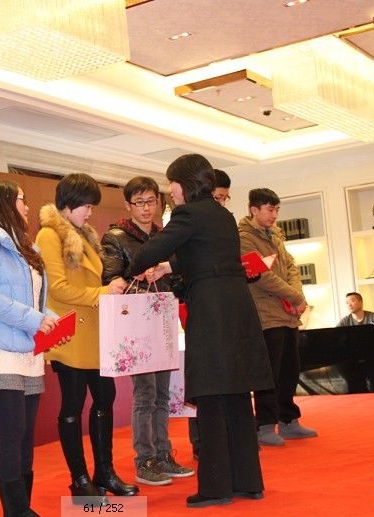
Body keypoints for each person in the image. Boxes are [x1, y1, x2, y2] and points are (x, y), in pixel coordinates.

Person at [126, 154, 274, 508]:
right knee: (237, 395)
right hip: (236, 307)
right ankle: (248, 482)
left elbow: (150, 251)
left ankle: (216, 487)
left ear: (183, 183)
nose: (171, 190)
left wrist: (136, 266)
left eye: (172, 183)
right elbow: (203, 252)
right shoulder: (222, 214)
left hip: (210, 310)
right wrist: (169, 267)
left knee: (210, 395)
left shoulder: (187, 214)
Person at [35, 173, 137, 504]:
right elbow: (58, 288)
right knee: (73, 405)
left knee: (105, 399)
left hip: (94, 332)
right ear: (69, 204)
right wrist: (102, 292)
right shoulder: (50, 235)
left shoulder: (84, 235)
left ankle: (104, 472)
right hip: (70, 336)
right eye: (87, 206)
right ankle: (79, 480)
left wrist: (109, 288)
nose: (90, 213)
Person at [0, 179, 58, 516]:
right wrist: (34, 319)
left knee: (25, 432)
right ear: (3, 201)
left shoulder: (26, 247)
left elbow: (35, 300)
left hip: (27, 350)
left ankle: (23, 507)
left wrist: (50, 319)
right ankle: (15, 511)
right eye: (21, 199)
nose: (27, 206)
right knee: (12, 430)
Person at [101, 176, 194, 487]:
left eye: (151, 201)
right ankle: (145, 460)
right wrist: (139, 275)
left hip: (163, 321)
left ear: (159, 202)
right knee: (146, 394)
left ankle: (164, 454)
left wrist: (168, 274)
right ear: (128, 205)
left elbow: (178, 278)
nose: (145, 208)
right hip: (137, 323)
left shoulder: (165, 236)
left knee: (163, 394)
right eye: (139, 202)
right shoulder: (115, 237)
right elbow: (111, 278)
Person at [238, 188, 318, 447]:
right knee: (268, 374)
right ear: (254, 209)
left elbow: (291, 266)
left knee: (290, 372)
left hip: (287, 314)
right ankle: (264, 425)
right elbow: (263, 276)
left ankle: (288, 420)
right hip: (266, 315)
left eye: (276, 210)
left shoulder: (276, 235)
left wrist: (297, 295)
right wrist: (295, 297)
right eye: (270, 209)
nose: (274, 215)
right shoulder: (244, 239)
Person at [187, 167, 234, 460]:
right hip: (198, 311)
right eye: (217, 197)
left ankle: (223, 441)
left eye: (225, 198)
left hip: (222, 313)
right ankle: (202, 443)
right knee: (204, 382)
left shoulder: (224, 220)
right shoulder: (191, 218)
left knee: (224, 380)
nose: (220, 203)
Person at [335, 292, 374, 393]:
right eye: (347, 303)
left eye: (352, 301)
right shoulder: (345, 321)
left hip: (373, 357)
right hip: (354, 359)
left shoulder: (373, 317)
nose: (349, 305)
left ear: (361, 302)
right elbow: (336, 336)